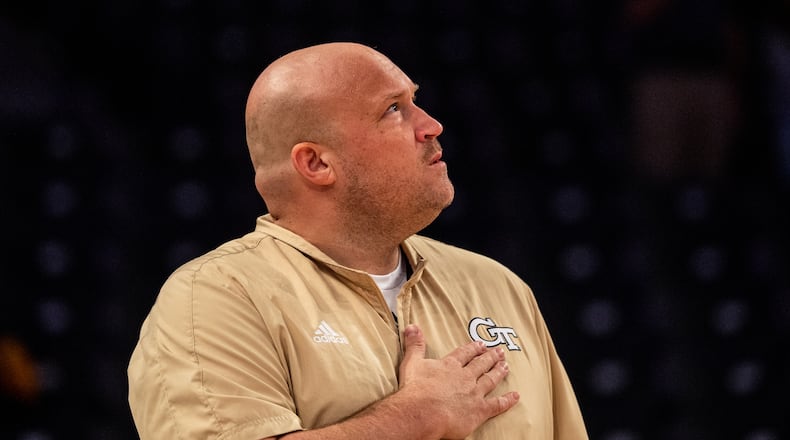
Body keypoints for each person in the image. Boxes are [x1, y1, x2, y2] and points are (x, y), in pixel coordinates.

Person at [127, 41, 588, 439]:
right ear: (316, 164)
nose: (431, 125)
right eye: (393, 109)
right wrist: (414, 418)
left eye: (415, 101)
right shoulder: (217, 297)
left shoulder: (498, 285)